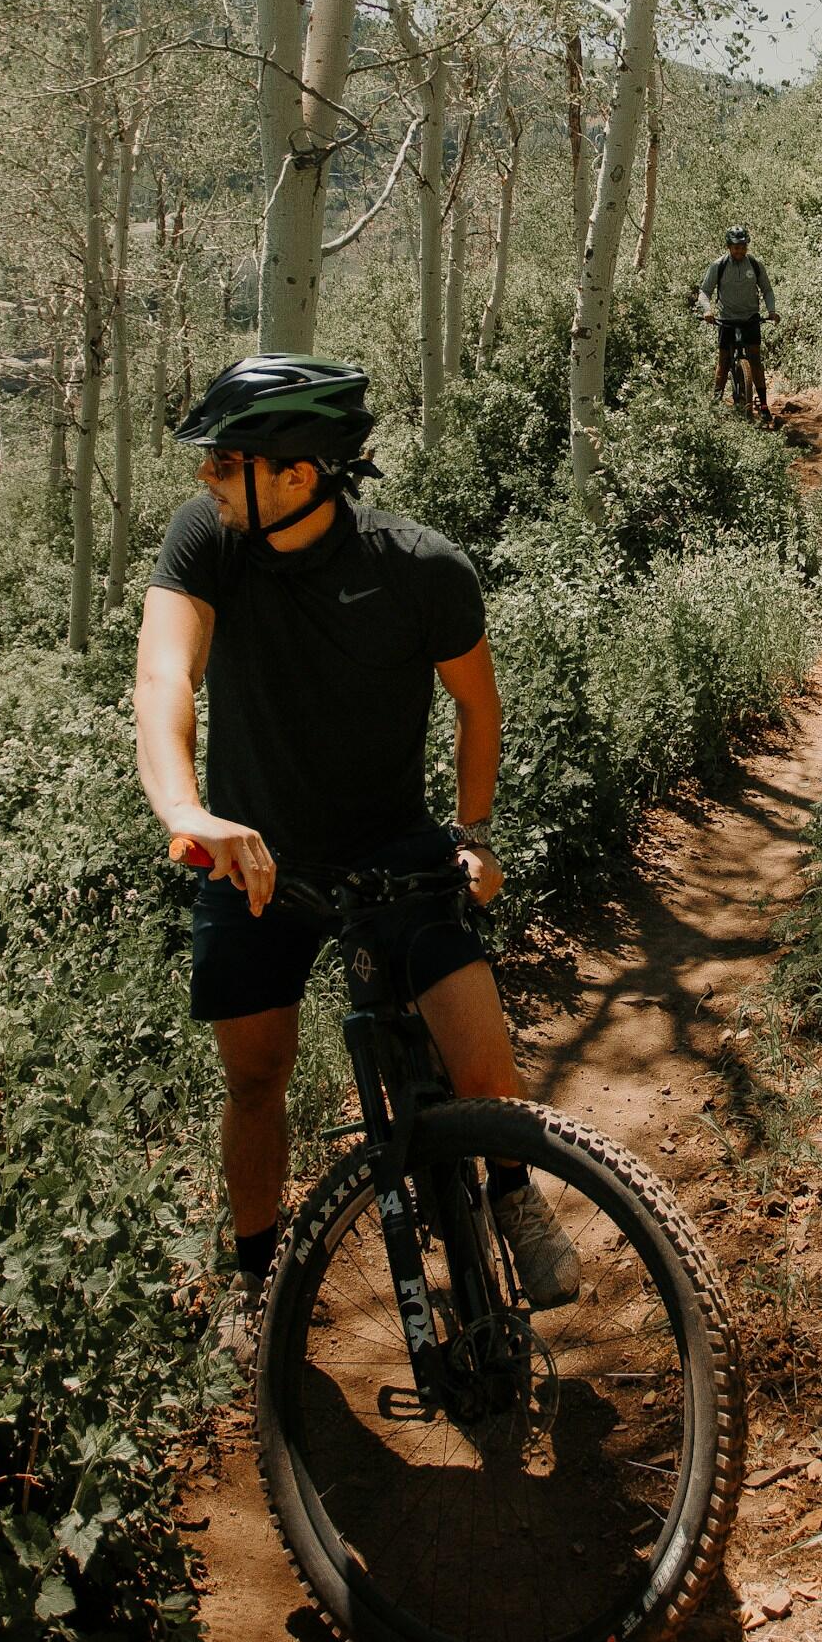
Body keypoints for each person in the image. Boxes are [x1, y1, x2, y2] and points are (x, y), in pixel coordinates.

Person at [132, 352, 579, 1314]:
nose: (206, 479)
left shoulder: (421, 569)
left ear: (297, 474)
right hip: (251, 855)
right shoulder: (207, 540)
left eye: (224, 461)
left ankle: (512, 1194)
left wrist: (476, 833)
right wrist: (187, 811)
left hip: (392, 846)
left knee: (477, 1051)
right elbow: (166, 677)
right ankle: (255, 1286)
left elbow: (479, 708)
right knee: (256, 1079)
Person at [698, 224, 778, 421]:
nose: (739, 250)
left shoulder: (755, 264)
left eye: (742, 246)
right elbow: (704, 291)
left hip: (750, 318)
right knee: (723, 362)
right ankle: (715, 405)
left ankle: (765, 405)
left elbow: (767, 289)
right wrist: (708, 311)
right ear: (728, 246)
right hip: (726, 320)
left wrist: (772, 310)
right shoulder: (718, 265)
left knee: (756, 360)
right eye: (736, 247)